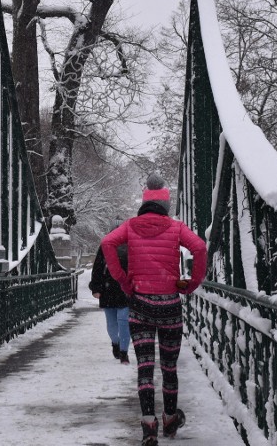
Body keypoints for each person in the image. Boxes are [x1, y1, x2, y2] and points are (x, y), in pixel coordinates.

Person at [100, 173, 207, 446]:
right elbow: (200, 247)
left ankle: (149, 424)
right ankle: (170, 418)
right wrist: (191, 284)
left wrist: (124, 280)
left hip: (140, 306)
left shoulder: (130, 226)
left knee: (145, 367)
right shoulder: (176, 227)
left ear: (143, 207)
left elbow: (107, 243)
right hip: (170, 305)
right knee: (169, 367)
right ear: (165, 208)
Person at [88, 219, 130, 364]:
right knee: (112, 324)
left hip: (126, 289)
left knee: (124, 321)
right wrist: (96, 288)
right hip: (108, 290)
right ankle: (115, 343)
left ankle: (124, 352)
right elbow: (98, 268)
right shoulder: (105, 246)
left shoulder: (133, 245)